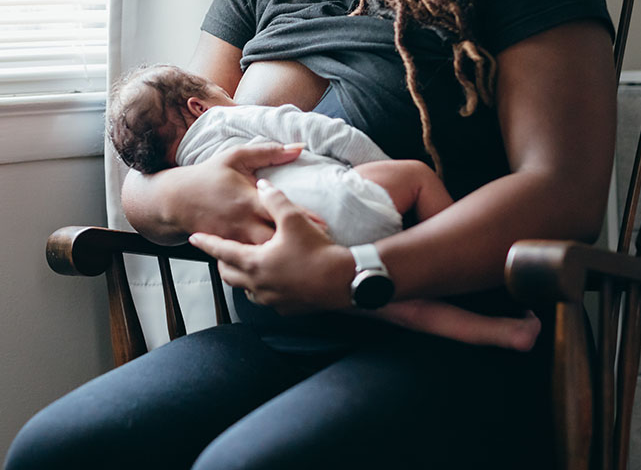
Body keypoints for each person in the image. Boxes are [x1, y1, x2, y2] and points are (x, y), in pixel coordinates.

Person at [6, 0, 617, 469]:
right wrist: (184, 198)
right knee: (52, 451)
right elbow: (151, 178)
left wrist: (357, 274)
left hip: (459, 334)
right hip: (280, 330)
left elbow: (562, 193)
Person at [107, 62, 542, 350]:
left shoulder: (187, 172)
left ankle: (502, 333)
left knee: (405, 309)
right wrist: (372, 173)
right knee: (416, 177)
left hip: (300, 263)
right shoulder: (227, 118)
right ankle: (469, 282)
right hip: (344, 201)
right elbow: (326, 132)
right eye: (220, 89)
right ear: (198, 106)